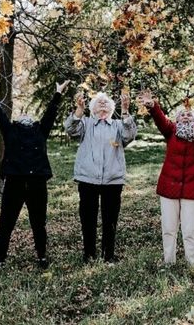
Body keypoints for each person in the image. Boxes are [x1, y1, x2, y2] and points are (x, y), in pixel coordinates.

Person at [0, 80, 70, 269]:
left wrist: (58, 93)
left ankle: (41, 257)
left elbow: (50, 114)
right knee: (6, 223)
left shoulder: (40, 130)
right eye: (22, 113)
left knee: (39, 223)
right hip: (14, 182)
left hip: (37, 182)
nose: (25, 115)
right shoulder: (10, 130)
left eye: (28, 114)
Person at [138, 88, 194, 265]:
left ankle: (193, 263)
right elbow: (160, 119)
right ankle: (169, 262)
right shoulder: (170, 131)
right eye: (182, 115)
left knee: (189, 229)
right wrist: (152, 106)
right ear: (176, 119)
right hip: (169, 188)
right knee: (169, 229)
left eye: (190, 115)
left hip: (193, 189)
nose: (186, 117)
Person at [64, 91, 137, 262]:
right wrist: (79, 110)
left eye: (106, 102)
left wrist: (125, 111)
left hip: (112, 180)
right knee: (88, 219)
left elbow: (130, 135)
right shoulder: (86, 123)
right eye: (99, 102)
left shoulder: (118, 125)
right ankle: (89, 254)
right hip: (88, 179)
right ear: (92, 108)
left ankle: (108, 255)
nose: (103, 103)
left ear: (112, 108)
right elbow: (70, 129)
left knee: (110, 220)